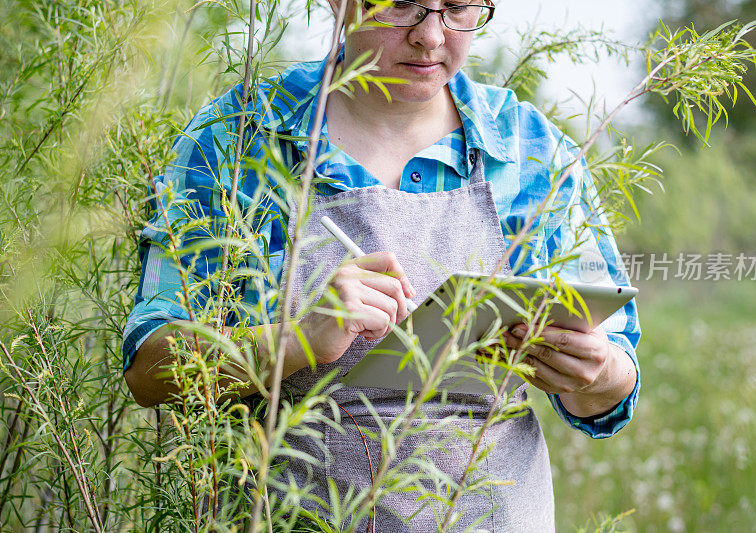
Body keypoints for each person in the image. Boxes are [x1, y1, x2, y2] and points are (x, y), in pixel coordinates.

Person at [123, 0, 641, 530]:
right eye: (402, 6)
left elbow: (614, 382)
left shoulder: (532, 152)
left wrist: (592, 374)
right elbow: (149, 373)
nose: (432, 37)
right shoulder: (236, 141)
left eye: (459, 8)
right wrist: (294, 343)